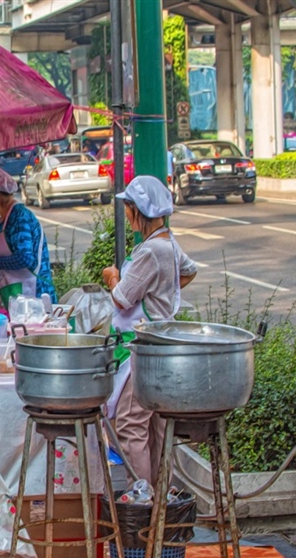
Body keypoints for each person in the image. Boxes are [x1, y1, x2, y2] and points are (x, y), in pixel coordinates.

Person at [101, 175, 198, 485]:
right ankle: (159, 503)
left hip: (139, 351)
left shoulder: (150, 252)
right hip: (159, 346)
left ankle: (140, 504)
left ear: (137, 210)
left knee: (130, 426)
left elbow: (122, 299)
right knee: (153, 427)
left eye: (128, 208)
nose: (126, 214)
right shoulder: (168, 243)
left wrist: (112, 278)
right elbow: (188, 271)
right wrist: (162, 294)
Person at [0, 167, 57, 307]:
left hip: (36, 298)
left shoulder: (20, 217)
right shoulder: (6, 219)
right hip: (19, 297)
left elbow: (25, 258)